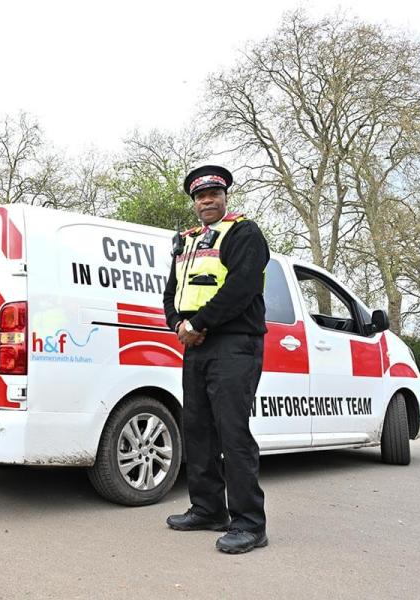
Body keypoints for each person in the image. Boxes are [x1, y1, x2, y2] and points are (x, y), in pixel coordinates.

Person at [163, 164, 270, 554]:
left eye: (213, 195)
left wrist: (200, 323)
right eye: (200, 197)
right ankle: (208, 509)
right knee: (198, 429)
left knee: (232, 433)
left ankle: (249, 524)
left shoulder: (244, 232)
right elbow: (171, 291)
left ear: (225, 196)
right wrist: (178, 324)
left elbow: (242, 287)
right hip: (195, 344)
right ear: (193, 202)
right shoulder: (187, 241)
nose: (207, 201)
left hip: (234, 343)